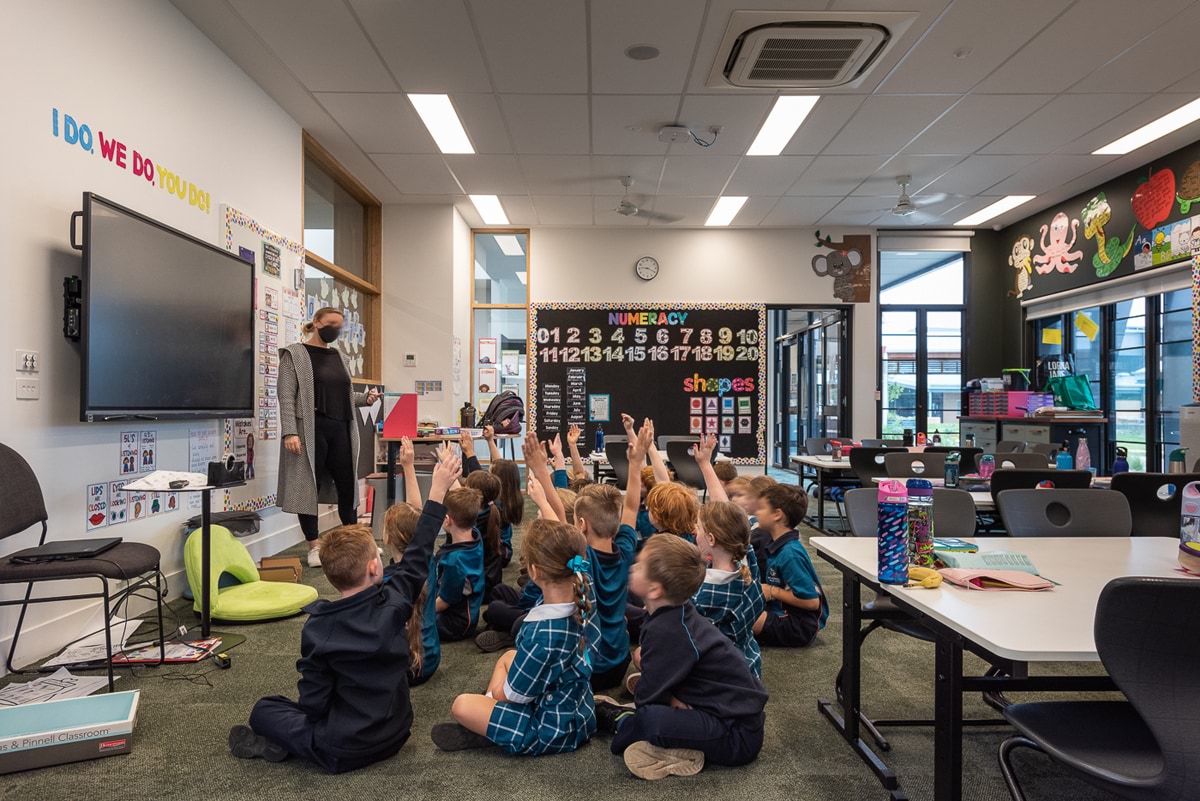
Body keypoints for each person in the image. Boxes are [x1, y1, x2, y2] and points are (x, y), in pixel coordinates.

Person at [229, 450, 459, 771]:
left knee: (265, 709)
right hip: (397, 733)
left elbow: (313, 704)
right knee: (288, 711)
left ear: (330, 575)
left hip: (342, 748)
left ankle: (283, 744)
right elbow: (419, 551)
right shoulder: (394, 600)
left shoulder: (318, 628)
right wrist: (438, 490)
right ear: (375, 567)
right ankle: (283, 744)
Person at [594, 535, 768, 781]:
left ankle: (621, 720)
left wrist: (656, 701)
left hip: (736, 736)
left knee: (649, 719)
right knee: (654, 693)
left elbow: (647, 701)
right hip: (721, 712)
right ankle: (676, 723)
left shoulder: (669, 630)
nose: (632, 567)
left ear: (655, 590)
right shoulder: (674, 616)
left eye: (640, 565)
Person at [430, 518, 597, 755]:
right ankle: (489, 720)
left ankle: (490, 726)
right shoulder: (584, 590)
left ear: (535, 571)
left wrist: (496, 695)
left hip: (549, 730)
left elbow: (513, 695)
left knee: (462, 705)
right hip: (579, 713)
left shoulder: (543, 635)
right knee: (508, 655)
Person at [277, 307, 379, 567]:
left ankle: (356, 541)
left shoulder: (339, 356)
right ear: (316, 322)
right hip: (310, 429)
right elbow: (286, 396)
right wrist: (290, 431)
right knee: (306, 487)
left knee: (348, 487)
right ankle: (313, 546)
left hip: (340, 428)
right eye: (331, 324)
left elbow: (342, 395)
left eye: (339, 325)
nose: (335, 329)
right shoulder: (295, 354)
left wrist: (364, 399)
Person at [385, 436, 441, 685]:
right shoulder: (426, 562)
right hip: (431, 657)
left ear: (388, 536)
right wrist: (407, 466)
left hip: (405, 667)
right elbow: (419, 517)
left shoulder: (389, 581)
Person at [752, 484, 828, 648]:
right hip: (780, 612)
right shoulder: (777, 544)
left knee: (743, 619)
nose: (757, 512)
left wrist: (772, 591)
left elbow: (811, 602)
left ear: (777, 514)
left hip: (799, 626)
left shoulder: (789, 554)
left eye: (762, 508)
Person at [435, 485, 487, 641]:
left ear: (447, 520)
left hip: (456, 624)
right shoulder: (474, 533)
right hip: (467, 612)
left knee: (410, 623)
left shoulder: (455, 562)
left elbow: (444, 603)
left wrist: (418, 612)